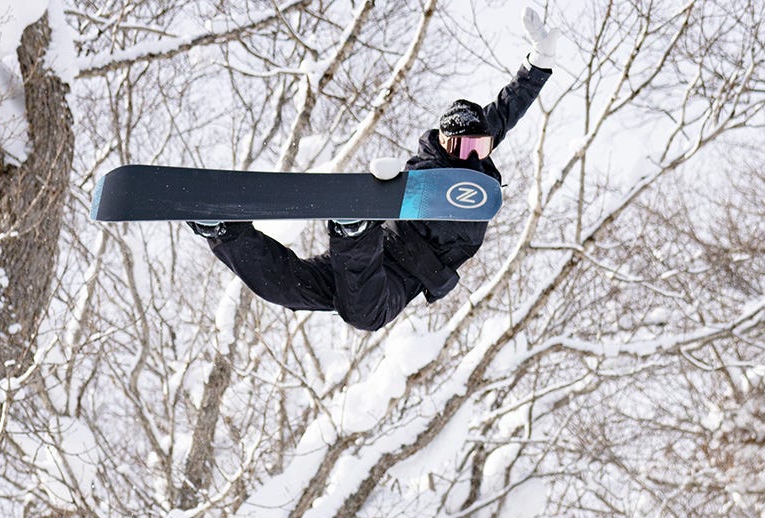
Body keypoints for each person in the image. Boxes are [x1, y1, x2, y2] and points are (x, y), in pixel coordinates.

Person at [188, 10, 559, 331]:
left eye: (478, 147)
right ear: (443, 140)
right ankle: (344, 230)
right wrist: (381, 198)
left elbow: (508, 108)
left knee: (286, 289)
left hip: (385, 270)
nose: (469, 156)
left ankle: (227, 233)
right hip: (389, 264)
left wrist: (539, 63)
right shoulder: (430, 165)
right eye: (460, 147)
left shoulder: (476, 161)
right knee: (362, 313)